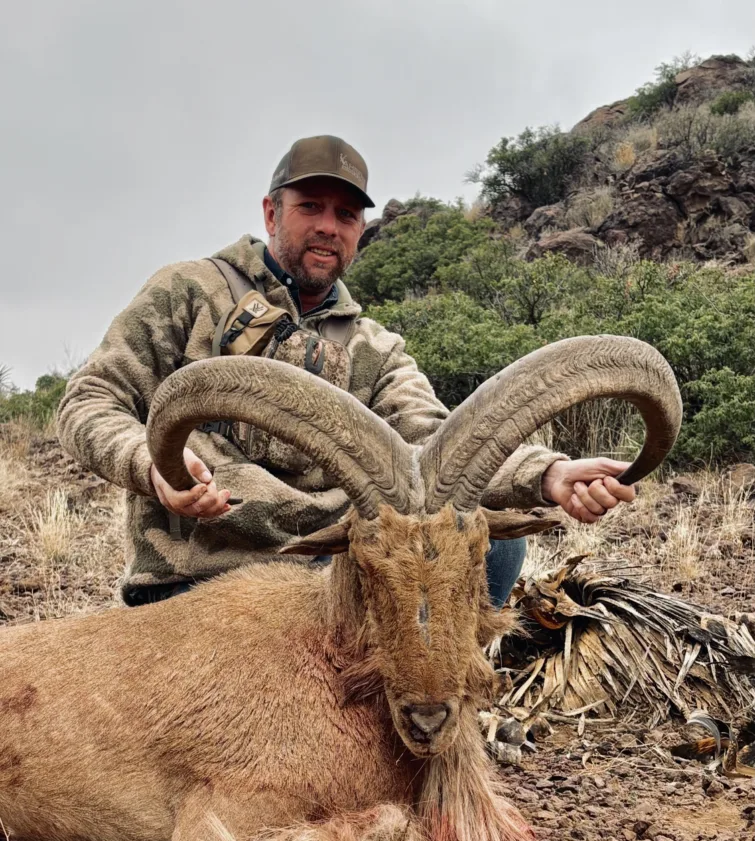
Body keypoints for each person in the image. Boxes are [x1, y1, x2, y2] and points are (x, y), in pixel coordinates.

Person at [58, 135, 635, 608]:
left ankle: (433, 691)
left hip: (328, 577)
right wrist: (153, 465)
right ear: (271, 211)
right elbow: (88, 400)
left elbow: (438, 447)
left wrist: (547, 474)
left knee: (494, 546)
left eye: (346, 214)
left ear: (361, 228)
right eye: (310, 207)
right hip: (202, 579)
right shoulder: (189, 291)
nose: (329, 227)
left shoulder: (376, 348)